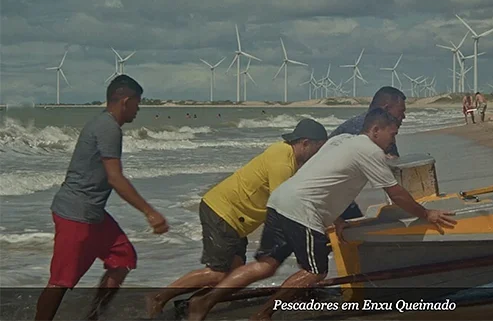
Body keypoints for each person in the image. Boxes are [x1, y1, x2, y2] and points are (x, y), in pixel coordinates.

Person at [186, 108, 457, 321]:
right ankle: (263, 314)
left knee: (265, 265)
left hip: (280, 201)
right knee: (315, 272)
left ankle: (204, 301)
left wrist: (336, 218)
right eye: (391, 133)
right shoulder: (369, 151)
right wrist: (426, 213)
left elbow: (324, 176)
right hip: (303, 210)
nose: (393, 140)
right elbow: (396, 194)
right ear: (375, 130)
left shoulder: (341, 140)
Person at [144, 119, 329, 318]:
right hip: (223, 211)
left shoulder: (288, 157)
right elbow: (282, 206)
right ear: (306, 143)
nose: (319, 155)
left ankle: (193, 303)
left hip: (233, 217)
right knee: (218, 273)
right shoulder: (282, 162)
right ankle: (159, 296)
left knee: (233, 273)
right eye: (319, 148)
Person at [35, 75, 169, 321]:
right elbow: (115, 178)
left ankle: (93, 316)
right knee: (61, 281)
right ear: (126, 101)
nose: (138, 109)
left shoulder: (104, 124)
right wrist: (150, 212)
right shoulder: (108, 127)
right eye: (137, 103)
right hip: (75, 213)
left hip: (93, 214)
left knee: (123, 257)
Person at [328, 86, 407, 220]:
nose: (404, 116)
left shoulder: (381, 128)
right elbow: (391, 179)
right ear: (387, 109)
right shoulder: (361, 130)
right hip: (329, 194)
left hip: (341, 194)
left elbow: (394, 164)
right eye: (401, 111)